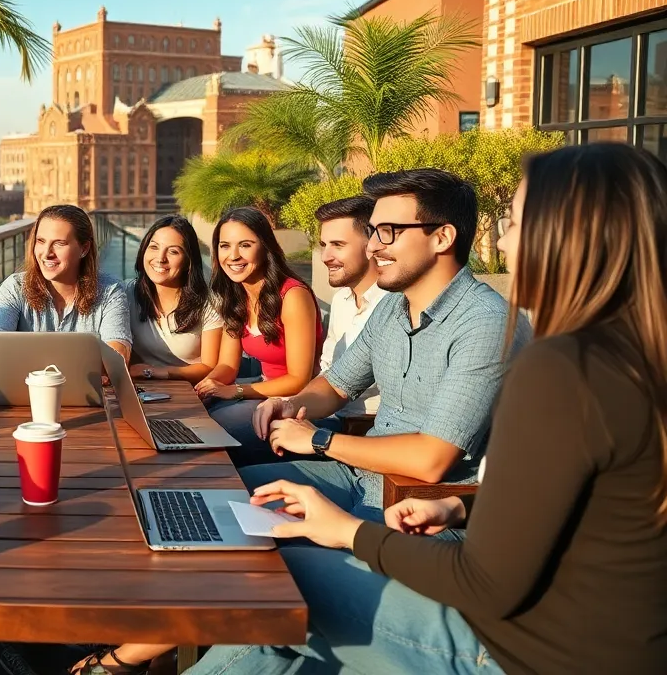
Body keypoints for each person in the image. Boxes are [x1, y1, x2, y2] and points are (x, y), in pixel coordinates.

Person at [179, 143, 667, 674]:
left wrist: (345, 528)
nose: (502, 240)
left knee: (287, 578)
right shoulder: (628, 361)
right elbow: (594, 509)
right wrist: (460, 508)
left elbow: (486, 578)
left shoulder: (548, 360)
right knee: (247, 513)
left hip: (525, 650)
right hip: (577, 628)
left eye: (517, 223)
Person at [245, 168, 530, 525]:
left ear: (442, 237)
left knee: (272, 557)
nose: (372, 246)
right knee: (228, 494)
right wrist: (290, 405)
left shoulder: (486, 323)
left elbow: (431, 459)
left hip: (418, 511)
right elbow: (336, 384)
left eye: (388, 232)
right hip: (359, 478)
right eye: (373, 232)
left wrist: (319, 440)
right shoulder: (392, 307)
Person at [192, 207, 324, 461]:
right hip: (263, 391)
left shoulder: (293, 296)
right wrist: (207, 386)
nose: (233, 256)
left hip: (299, 402)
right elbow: (228, 366)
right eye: (224, 246)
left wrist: (237, 392)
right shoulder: (236, 295)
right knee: (191, 413)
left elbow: (298, 379)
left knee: (213, 427)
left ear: (265, 247)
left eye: (245, 245)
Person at [0, 204, 132, 371]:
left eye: (59, 243)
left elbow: (117, 356)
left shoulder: (110, 290)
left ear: (84, 248)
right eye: (41, 241)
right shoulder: (16, 287)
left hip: (85, 396)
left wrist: (27, 368)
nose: (47, 253)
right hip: (25, 394)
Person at [125, 214, 232, 385]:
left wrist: (159, 372)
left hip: (196, 394)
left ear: (188, 261)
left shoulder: (209, 303)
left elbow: (209, 366)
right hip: (146, 390)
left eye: (173, 251)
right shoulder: (127, 293)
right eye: (153, 247)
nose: (160, 258)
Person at [315, 195, 387, 418]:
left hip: (365, 426)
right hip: (330, 415)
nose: (326, 256)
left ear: (371, 246)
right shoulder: (341, 300)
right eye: (323, 245)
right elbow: (327, 368)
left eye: (338, 245)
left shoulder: (392, 303)